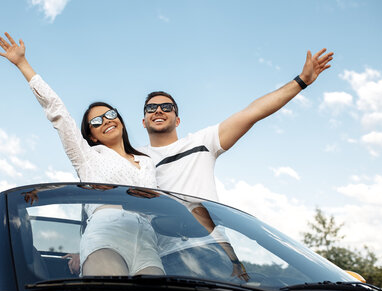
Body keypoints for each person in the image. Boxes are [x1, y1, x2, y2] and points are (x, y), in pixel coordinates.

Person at [139, 48, 334, 277]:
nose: (159, 110)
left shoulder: (203, 142)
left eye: (167, 107)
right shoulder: (135, 158)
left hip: (211, 250)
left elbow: (253, 112)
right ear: (143, 121)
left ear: (178, 119)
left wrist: (302, 81)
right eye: (151, 108)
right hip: (161, 258)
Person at [0, 32, 164, 277]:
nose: (106, 120)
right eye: (97, 121)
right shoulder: (88, 156)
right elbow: (59, 114)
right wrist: (23, 64)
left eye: (110, 114)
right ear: (92, 135)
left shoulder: (147, 162)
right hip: (107, 235)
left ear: (120, 119)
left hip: (148, 243)